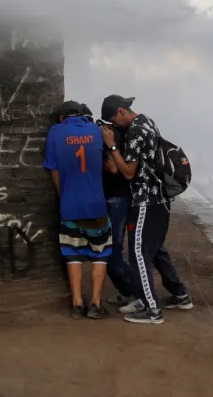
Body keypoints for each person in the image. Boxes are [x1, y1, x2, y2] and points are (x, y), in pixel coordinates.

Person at [100, 95, 192, 325]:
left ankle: (152, 311)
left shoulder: (134, 132)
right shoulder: (148, 121)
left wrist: (111, 145)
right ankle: (179, 295)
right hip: (160, 199)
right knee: (156, 249)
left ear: (121, 111)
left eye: (114, 120)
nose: (114, 126)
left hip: (145, 200)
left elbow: (129, 172)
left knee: (139, 254)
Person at [45, 100, 112, 320]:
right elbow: (108, 165)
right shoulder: (95, 130)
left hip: (70, 206)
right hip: (97, 206)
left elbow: (53, 171)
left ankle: (76, 304)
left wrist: (62, 196)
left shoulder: (55, 132)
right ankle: (95, 304)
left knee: (72, 255)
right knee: (100, 255)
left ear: (62, 118)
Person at [98, 118, 136, 306]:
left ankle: (138, 293)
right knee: (110, 250)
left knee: (111, 252)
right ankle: (129, 292)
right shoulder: (122, 134)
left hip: (116, 199)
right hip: (117, 199)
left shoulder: (108, 138)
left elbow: (113, 168)